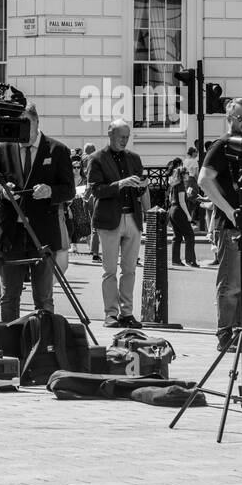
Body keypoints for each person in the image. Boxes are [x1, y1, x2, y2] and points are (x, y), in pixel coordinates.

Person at [0, 104, 74, 322]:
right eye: (17, 124)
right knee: (8, 297)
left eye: (25, 123)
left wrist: (50, 191)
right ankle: (9, 348)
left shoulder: (58, 150)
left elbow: (69, 190)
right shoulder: (3, 148)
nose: (21, 130)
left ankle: (44, 346)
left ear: (36, 122)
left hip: (42, 234)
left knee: (43, 298)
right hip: (11, 233)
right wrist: (3, 192)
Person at [199, 98, 242, 352]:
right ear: (229, 119)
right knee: (230, 284)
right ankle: (225, 334)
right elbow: (204, 180)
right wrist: (229, 211)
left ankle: (241, 331)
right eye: (241, 118)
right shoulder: (222, 146)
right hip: (233, 227)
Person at [88, 118, 149, 328]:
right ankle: (111, 314)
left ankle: (127, 313)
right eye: (121, 137)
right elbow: (95, 190)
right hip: (109, 219)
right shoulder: (97, 158)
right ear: (110, 134)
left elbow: (141, 189)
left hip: (132, 217)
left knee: (130, 270)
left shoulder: (134, 158)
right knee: (110, 270)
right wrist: (119, 184)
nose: (124, 140)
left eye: (127, 137)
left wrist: (142, 185)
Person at [167, 157, 198, 267]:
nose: (188, 175)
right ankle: (190, 260)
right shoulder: (180, 186)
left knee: (177, 236)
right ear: (182, 174)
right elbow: (182, 202)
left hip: (172, 210)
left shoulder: (174, 185)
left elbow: (172, 199)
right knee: (190, 235)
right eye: (187, 173)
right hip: (179, 211)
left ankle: (176, 260)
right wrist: (189, 216)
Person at [80, 142, 102, 262]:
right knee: (96, 226)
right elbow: (91, 181)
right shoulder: (95, 160)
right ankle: (95, 253)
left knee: (93, 224)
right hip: (94, 195)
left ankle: (93, 250)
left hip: (86, 195)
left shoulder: (82, 161)